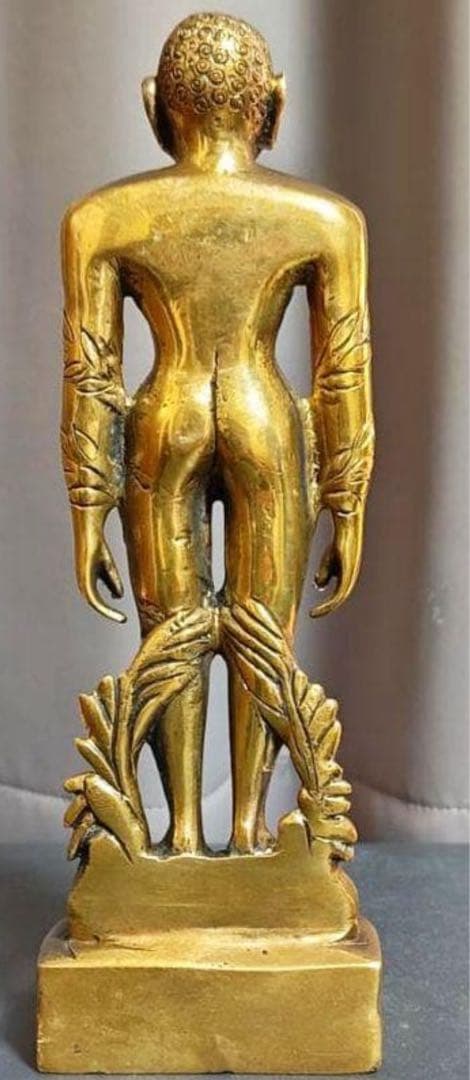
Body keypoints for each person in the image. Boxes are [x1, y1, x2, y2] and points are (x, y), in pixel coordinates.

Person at [61, 13, 374, 855]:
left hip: (164, 419)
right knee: (264, 631)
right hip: (264, 415)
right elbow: (341, 373)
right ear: (275, 104)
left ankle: (184, 835)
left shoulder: (104, 218)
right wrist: (347, 502)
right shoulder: (324, 219)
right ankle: (249, 830)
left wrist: (88, 510)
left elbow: (92, 375)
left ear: (153, 106)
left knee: (170, 632)